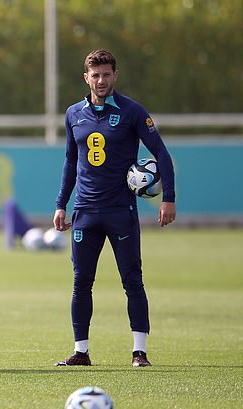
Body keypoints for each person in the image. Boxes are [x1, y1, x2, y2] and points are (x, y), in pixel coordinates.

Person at [53, 49, 176, 368]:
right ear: (86, 78)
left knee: (132, 280)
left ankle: (140, 352)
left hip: (121, 211)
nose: (101, 80)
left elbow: (161, 153)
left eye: (106, 74)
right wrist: (61, 204)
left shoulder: (132, 111)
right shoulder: (73, 114)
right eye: (95, 75)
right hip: (85, 212)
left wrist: (168, 197)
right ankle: (81, 351)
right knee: (81, 282)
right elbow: (70, 161)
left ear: (115, 76)